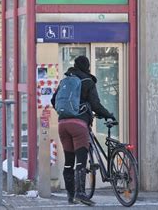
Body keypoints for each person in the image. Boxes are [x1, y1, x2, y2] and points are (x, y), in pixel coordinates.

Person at [51, 55, 115, 206]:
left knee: (68, 161)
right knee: (81, 160)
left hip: (63, 124)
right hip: (79, 125)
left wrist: (67, 112)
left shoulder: (65, 81)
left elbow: (54, 101)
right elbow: (96, 104)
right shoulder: (88, 81)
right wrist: (108, 114)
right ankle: (80, 193)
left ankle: (70, 195)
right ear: (86, 67)